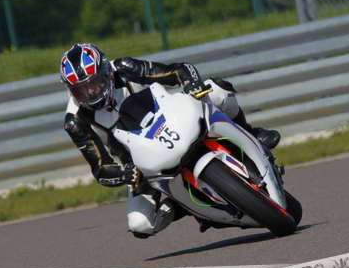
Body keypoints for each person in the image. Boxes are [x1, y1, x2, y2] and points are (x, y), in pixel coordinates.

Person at [60, 43, 280, 238]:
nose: (91, 92)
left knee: (218, 90)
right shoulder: (75, 121)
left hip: (172, 120)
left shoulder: (125, 68)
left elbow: (177, 70)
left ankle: (248, 132)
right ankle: (186, 205)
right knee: (140, 224)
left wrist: (192, 83)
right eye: (81, 90)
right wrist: (125, 174)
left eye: (95, 83)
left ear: (106, 72)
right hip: (140, 164)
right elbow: (100, 169)